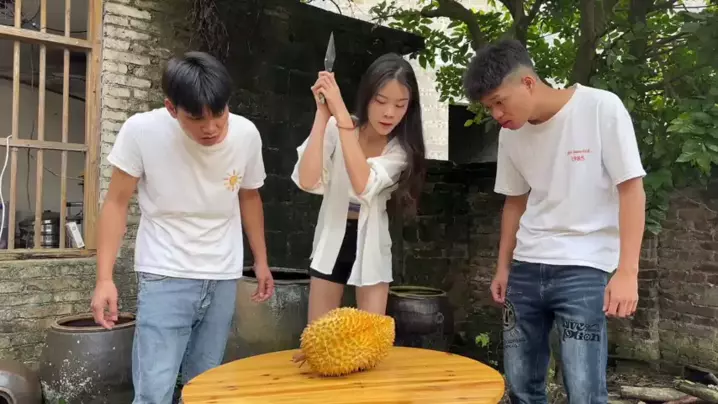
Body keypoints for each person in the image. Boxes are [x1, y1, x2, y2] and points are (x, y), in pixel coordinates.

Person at [462, 39, 646, 403]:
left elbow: (631, 189)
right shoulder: (510, 136)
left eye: (499, 102)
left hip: (584, 268)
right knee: (521, 387)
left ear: (528, 82)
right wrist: (503, 267)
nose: (496, 114)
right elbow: (514, 202)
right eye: (489, 107)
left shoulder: (600, 108)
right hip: (526, 268)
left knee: (584, 391)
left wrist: (628, 272)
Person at [90, 51, 275, 404]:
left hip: (223, 274)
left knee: (205, 388)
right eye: (196, 118)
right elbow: (115, 203)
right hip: (164, 273)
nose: (211, 127)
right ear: (172, 108)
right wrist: (104, 279)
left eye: (219, 114)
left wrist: (261, 261)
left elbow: (250, 196)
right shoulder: (141, 131)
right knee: (154, 391)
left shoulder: (247, 134)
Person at [291, 53, 427, 329]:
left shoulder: (400, 151)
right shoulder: (336, 126)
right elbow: (306, 180)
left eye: (400, 105)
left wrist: (341, 117)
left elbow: (364, 185)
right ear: (367, 97)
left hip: (371, 242)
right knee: (319, 335)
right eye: (381, 101)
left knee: (371, 337)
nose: (389, 113)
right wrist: (323, 115)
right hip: (331, 236)